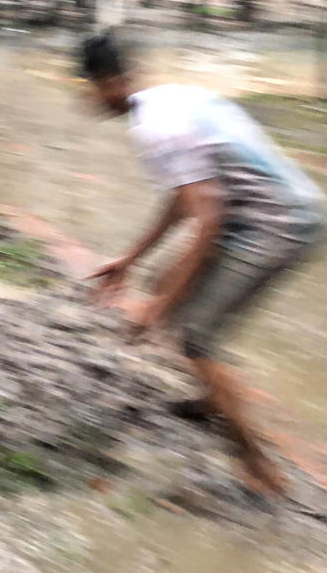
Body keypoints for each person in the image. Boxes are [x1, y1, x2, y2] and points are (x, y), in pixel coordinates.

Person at [80, 30, 324, 498]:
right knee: (166, 285)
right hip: (272, 211)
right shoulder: (166, 102)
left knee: (197, 335)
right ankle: (216, 399)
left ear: (106, 82)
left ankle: (257, 462)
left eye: (90, 89)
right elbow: (184, 197)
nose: (90, 101)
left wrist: (158, 307)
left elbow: (208, 220)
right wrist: (131, 262)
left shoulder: (155, 128)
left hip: (278, 223)